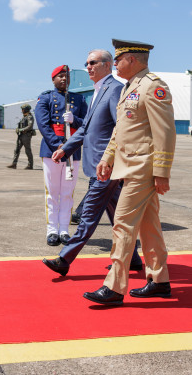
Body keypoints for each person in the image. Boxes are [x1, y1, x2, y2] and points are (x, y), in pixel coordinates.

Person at [83, 39, 176, 306]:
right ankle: (159, 280)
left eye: (118, 59)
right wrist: (108, 157)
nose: (115, 64)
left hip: (143, 168)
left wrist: (162, 172)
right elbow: (121, 129)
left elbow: (165, 132)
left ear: (131, 59)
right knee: (149, 226)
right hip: (130, 166)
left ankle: (113, 287)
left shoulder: (152, 86)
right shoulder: (130, 87)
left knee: (122, 224)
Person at [43, 49, 143, 276]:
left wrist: (111, 159)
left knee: (88, 214)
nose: (88, 67)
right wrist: (65, 149)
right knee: (116, 214)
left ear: (107, 65)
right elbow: (85, 129)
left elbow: (122, 128)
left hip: (106, 166)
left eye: (93, 62)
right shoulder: (98, 91)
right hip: (99, 165)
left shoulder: (115, 89)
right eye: (87, 63)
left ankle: (64, 259)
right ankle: (133, 259)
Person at [34, 65, 88, 246]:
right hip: (52, 151)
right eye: (61, 76)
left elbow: (86, 124)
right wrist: (59, 146)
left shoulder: (79, 99)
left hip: (72, 152)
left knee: (67, 193)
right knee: (52, 192)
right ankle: (51, 230)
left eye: (67, 76)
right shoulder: (45, 98)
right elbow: (43, 125)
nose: (64, 79)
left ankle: (64, 229)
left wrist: (75, 119)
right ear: (53, 79)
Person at [7, 104, 35, 169]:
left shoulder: (29, 117)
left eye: (23, 109)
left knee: (27, 150)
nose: (22, 110)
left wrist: (21, 130)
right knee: (16, 150)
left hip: (26, 136)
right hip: (21, 135)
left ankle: (30, 165)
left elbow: (30, 126)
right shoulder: (24, 117)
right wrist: (18, 129)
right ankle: (14, 164)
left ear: (26, 109)